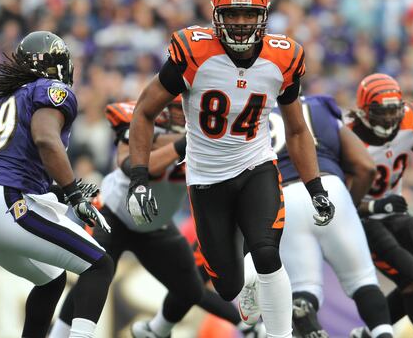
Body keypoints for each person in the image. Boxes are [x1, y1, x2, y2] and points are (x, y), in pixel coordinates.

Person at [127, 0, 335, 338]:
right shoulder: (193, 54)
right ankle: (249, 279)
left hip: (256, 165)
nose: (240, 23)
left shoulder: (283, 58)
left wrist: (315, 187)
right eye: (232, 14)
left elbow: (297, 130)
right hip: (207, 178)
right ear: (216, 16)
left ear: (263, 17)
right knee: (226, 286)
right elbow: (144, 112)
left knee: (267, 252)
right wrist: (139, 179)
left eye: (248, 14)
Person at [51, 99, 264, 338]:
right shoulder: (142, 121)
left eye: (183, 107)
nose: (179, 113)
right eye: (175, 107)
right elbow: (132, 165)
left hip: (155, 224)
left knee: (191, 290)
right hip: (114, 213)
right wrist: (184, 143)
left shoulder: (209, 135)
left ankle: (245, 327)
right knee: (94, 274)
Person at [0, 31, 113, 338]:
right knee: (99, 265)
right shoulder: (51, 89)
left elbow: (15, 163)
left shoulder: (7, 97)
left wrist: (60, 191)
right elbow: (45, 139)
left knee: (51, 280)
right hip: (4, 202)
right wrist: (73, 194)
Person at [270, 95, 393, 338]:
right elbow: (366, 167)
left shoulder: (255, 111)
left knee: (304, 289)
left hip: (282, 198)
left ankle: (305, 312)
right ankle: (384, 334)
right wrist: (349, 206)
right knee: (363, 281)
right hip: (327, 188)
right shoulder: (319, 105)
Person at [348, 73, 413, 338]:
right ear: (364, 111)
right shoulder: (348, 136)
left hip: (395, 211)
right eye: (381, 112)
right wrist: (375, 207)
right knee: (411, 280)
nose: (389, 118)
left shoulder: (409, 121)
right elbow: (343, 199)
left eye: (393, 110)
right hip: (364, 218)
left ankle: (367, 334)